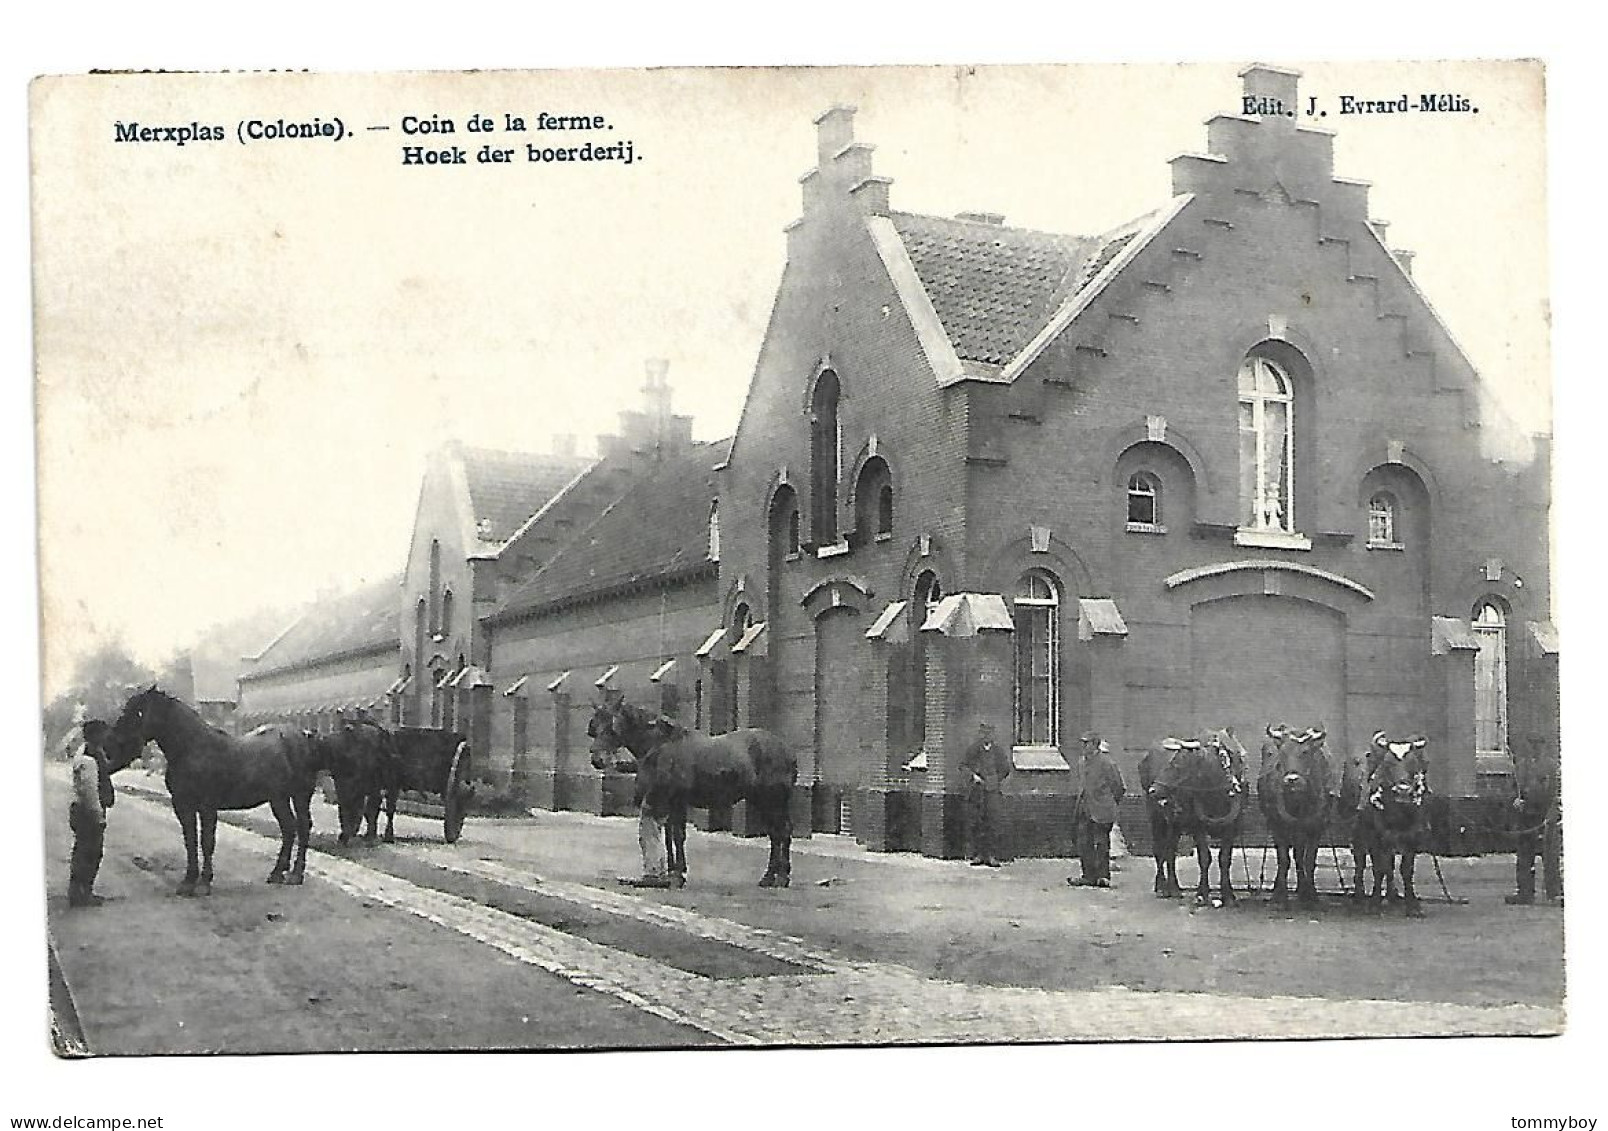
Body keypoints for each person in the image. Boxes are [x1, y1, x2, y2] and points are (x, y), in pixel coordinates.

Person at [1507, 735, 1562, 906]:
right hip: (1526, 816)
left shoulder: (1551, 767)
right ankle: (1525, 891)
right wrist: (1515, 801)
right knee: (1524, 854)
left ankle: (1555, 892)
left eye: (1538, 746)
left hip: (1545, 815)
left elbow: (1551, 792)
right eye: (1532, 745)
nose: (1534, 749)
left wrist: (1549, 812)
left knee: (1550, 855)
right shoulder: (1521, 766)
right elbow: (1514, 788)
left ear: (1543, 747)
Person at [67, 720, 116, 908]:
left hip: (81, 810)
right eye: (104, 733)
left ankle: (78, 892)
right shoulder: (89, 759)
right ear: (96, 735)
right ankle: (83, 894)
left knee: (82, 851)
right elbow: (89, 790)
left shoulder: (88, 753)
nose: (107, 737)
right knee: (91, 853)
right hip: (88, 812)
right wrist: (98, 815)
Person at [1069, 731, 1126, 887]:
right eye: (1082, 743)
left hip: (1103, 809)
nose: (1083, 747)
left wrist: (1109, 803)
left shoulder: (1107, 763)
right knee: (1084, 843)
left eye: (1086, 743)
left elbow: (1119, 787)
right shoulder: (1082, 762)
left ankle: (1103, 876)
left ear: (1095, 744)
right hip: (1085, 808)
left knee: (1101, 843)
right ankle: (1088, 875)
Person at [959, 721, 1011, 867]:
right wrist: (973, 776)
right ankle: (978, 855)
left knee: (993, 822)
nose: (987, 736)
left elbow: (1005, 769)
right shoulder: (973, 750)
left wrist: (995, 779)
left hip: (992, 792)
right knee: (977, 822)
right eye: (984, 733)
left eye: (990, 733)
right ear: (980, 735)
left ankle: (992, 855)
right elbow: (963, 765)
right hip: (976, 792)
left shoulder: (998, 752)